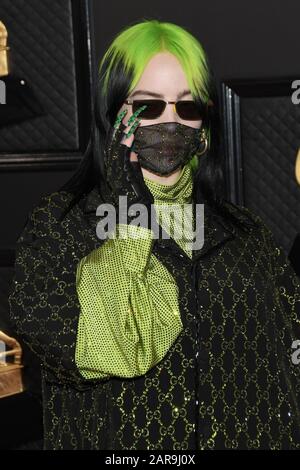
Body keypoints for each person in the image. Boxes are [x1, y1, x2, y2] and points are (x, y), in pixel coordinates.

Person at [8, 19, 300, 450]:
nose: (170, 121)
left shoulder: (245, 233)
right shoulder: (59, 227)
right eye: (148, 106)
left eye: (188, 106)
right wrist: (128, 206)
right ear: (115, 114)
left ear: (204, 124)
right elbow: (118, 349)